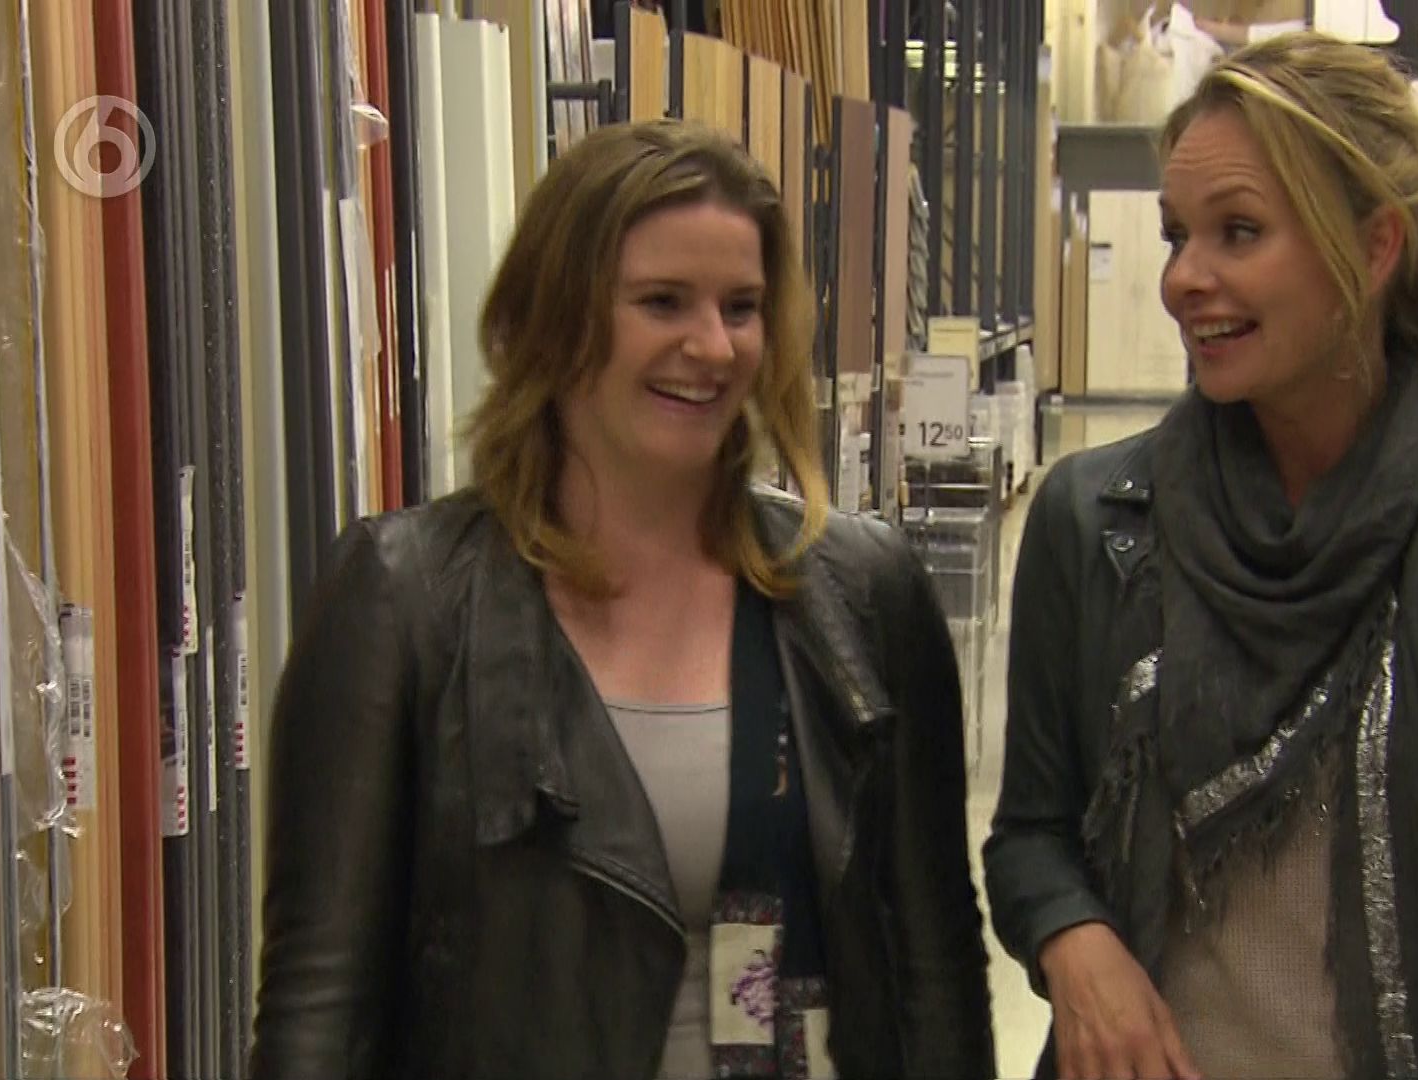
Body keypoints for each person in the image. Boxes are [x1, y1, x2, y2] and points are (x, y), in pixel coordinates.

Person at [984, 32, 1418, 1080]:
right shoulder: (1097, 525)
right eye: (1177, 234)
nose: (1184, 278)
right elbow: (1031, 836)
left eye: (1238, 231)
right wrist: (1076, 942)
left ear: (1374, 248)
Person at [249, 119, 995, 1080]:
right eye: (662, 301)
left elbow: (935, 970)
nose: (712, 346)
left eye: (741, 307)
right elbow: (318, 1006)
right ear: (556, 317)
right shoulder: (406, 602)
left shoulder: (861, 594)